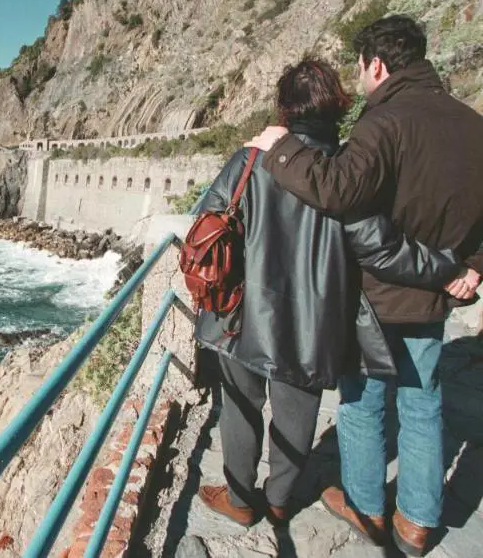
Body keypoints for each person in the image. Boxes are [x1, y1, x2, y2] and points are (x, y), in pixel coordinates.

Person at [194, 58, 475, 538]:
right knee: (296, 413)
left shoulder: (251, 159)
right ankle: (280, 501)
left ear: (284, 106)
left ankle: (240, 500)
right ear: (337, 108)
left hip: (239, 312)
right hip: (311, 321)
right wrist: (450, 272)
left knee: (239, 407)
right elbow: (384, 249)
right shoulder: (346, 173)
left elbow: (208, 218)